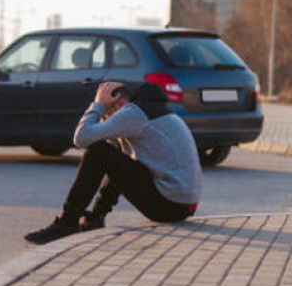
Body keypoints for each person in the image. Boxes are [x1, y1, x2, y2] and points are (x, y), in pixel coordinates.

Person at [24, 81, 203, 245]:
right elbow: (118, 161)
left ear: (118, 103)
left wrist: (97, 105)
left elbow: (81, 138)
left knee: (98, 150)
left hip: (169, 205)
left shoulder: (133, 114)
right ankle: (95, 218)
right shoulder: (154, 112)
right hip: (182, 205)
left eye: (107, 113)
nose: (107, 119)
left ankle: (68, 222)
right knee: (115, 153)